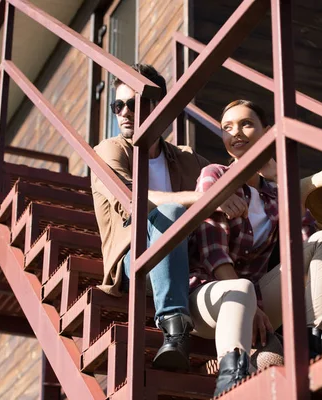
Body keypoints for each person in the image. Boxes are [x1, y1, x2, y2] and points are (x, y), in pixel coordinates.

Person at [188, 100, 322, 396]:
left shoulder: (273, 192)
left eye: (247, 124)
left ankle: (312, 344)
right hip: (209, 298)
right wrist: (254, 307)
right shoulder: (215, 174)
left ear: (267, 132)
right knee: (242, 289)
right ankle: (230, 384)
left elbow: (304, 236)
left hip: (256, 297)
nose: (236, 132)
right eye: (227, 127)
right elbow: (213, 252)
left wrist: (277, 178)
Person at [91, 64, 214, 371]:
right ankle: (175, 327)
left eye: (132, 103)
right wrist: (202, 198)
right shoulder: (109, 151)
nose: (123, 112)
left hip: (188, 258)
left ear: (158, 106)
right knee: (170, 211)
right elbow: (139, 201)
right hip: (136, 259)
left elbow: (229, 180)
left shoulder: (184, 157)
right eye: (117, 105)